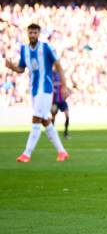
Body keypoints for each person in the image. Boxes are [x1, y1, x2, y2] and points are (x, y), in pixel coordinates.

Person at [5, 23, 70, 162]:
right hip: (34, 90)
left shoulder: (46, 48)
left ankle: (26, 154)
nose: (32, 35)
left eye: (35, 33)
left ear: (38, 34)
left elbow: (58, 65)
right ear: (27, 33)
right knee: (45, 121)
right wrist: (13, 67)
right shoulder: (24, 50)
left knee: (36, 118)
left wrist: (64, 86)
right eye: (30, 32)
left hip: (45, 89)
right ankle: (62, 152)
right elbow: (22, 69)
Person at [51, 64, 71, 139]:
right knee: (53, 117)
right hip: (54, 101)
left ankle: (66, 132)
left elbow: (65, 87)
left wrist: (67, 93)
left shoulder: (61, 75)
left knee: (67, 115)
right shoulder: (50, 74)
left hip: (62, 100)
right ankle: (52, 134)